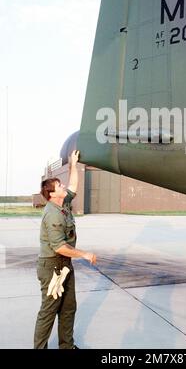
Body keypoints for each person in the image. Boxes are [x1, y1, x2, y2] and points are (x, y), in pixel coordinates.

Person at [34, 150, 97, 349]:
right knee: (49, 310)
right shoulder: (52, 214)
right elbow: (60, 247)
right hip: (52, 266)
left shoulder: (64, 203)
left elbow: (73, 185)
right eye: (59, 186)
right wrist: (85, 254)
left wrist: (73, 164)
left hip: (65, 265)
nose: (63, 187)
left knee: (69, 308)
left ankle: (66, 346)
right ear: (52, 193)